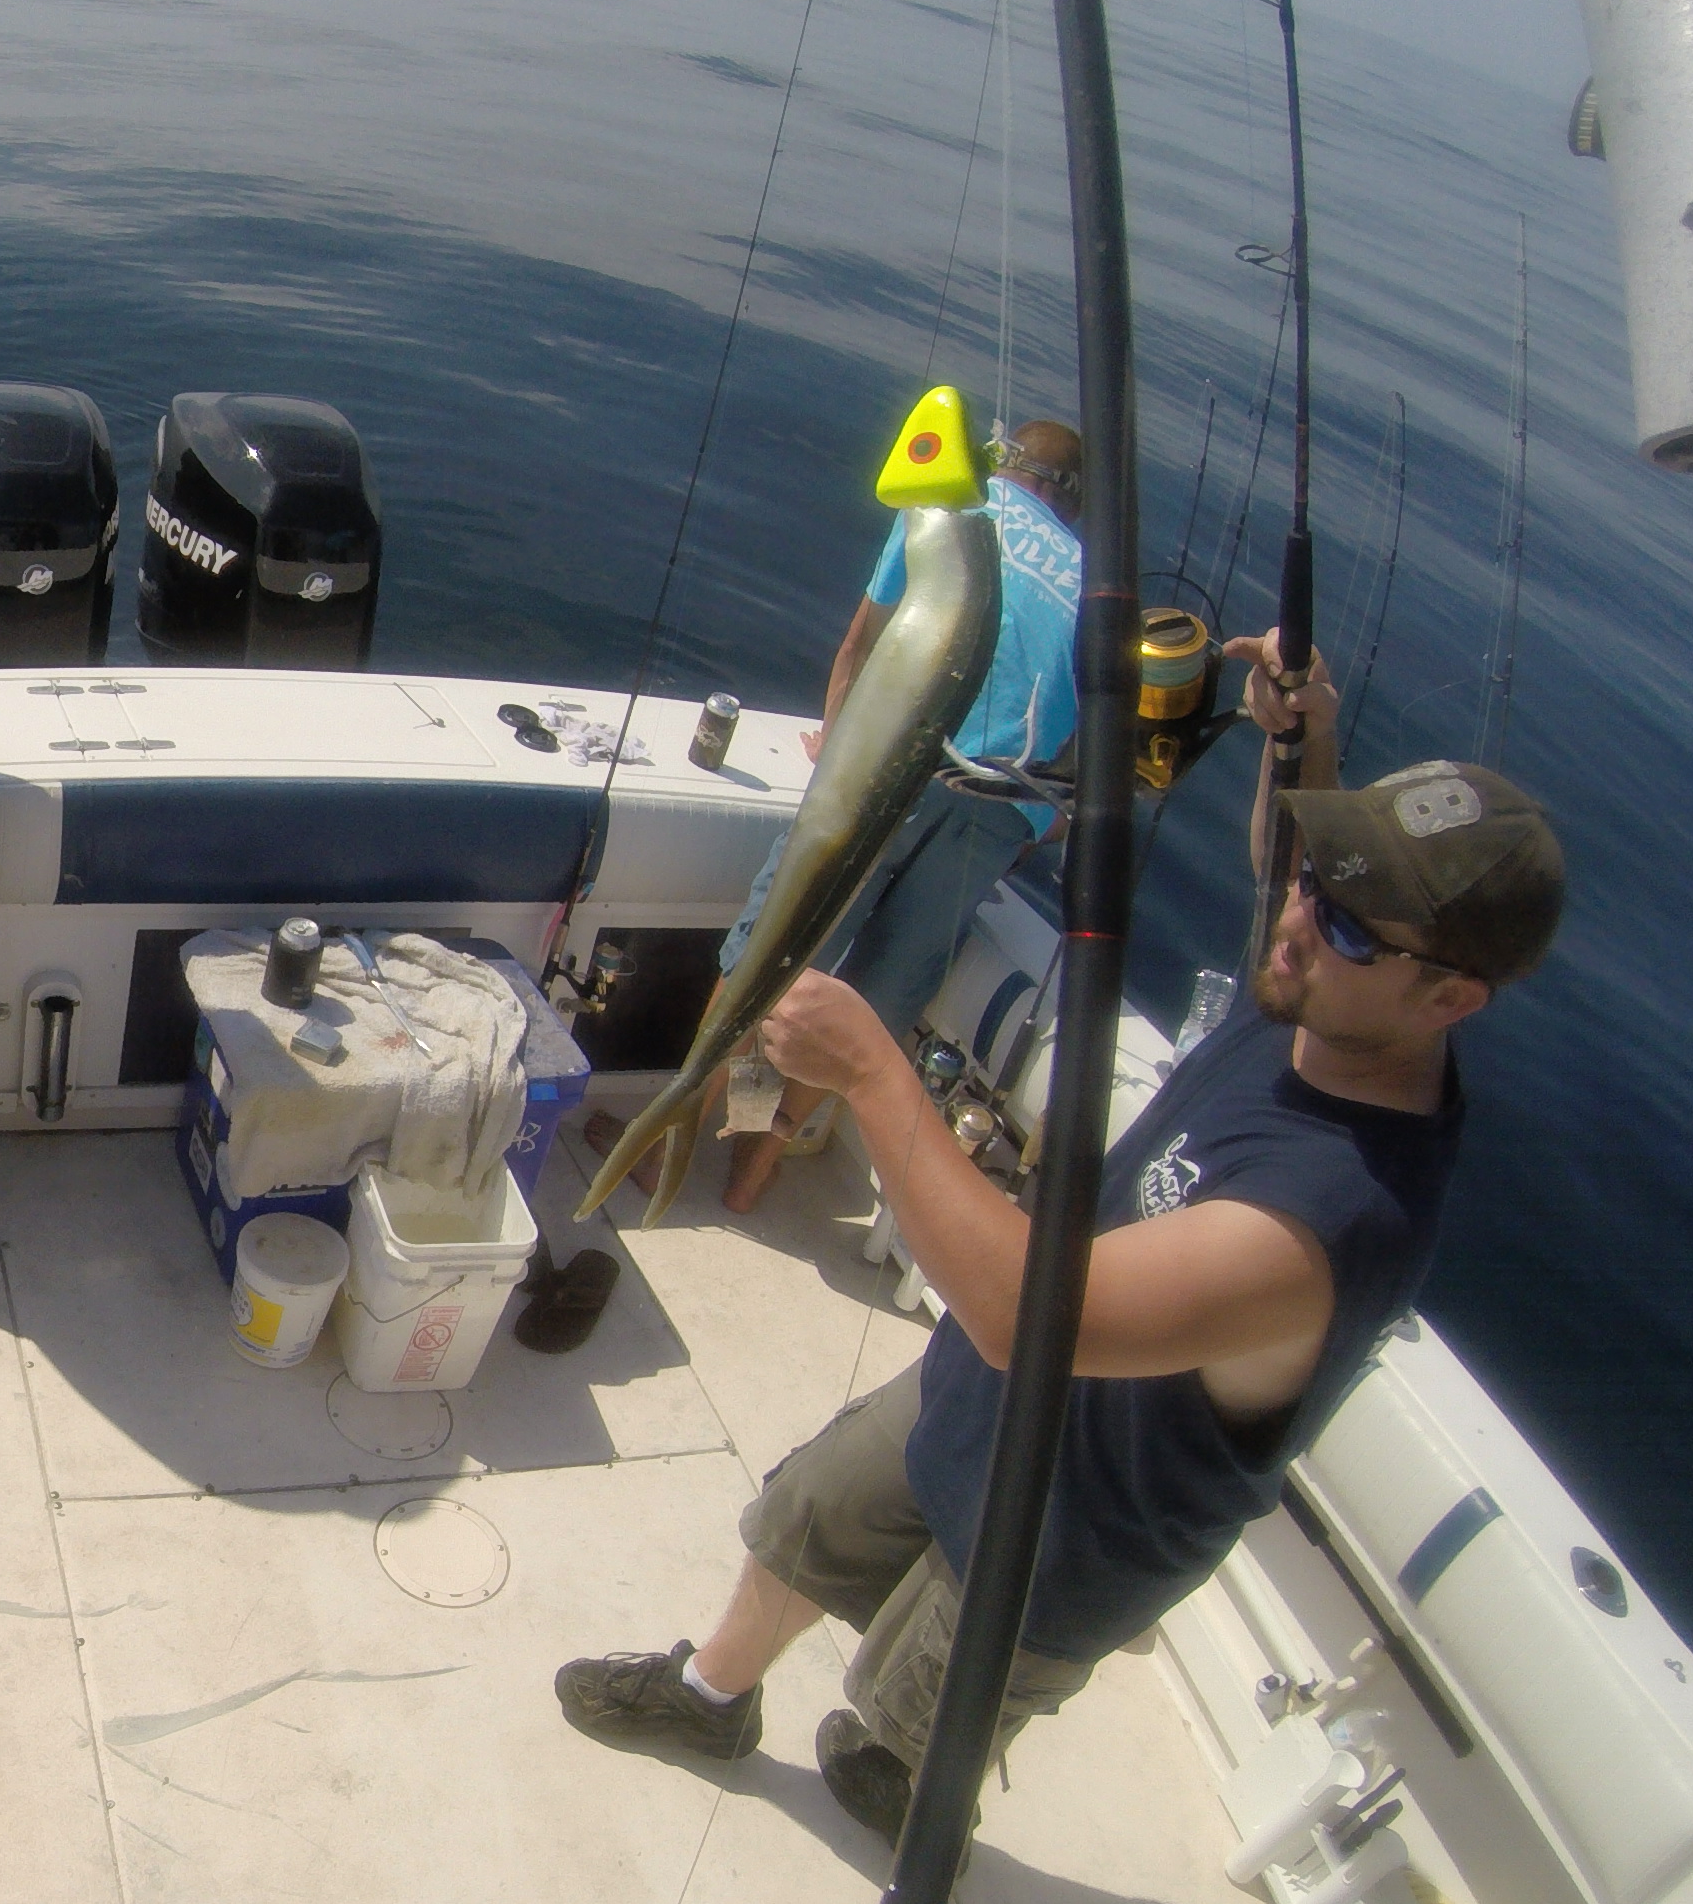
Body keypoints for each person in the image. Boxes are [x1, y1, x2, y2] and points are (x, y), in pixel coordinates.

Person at [551, 628, 1565, 1840]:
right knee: (805, 1518)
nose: (1301, 918)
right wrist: (1308, 740)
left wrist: (877, 1073)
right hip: (979, 1396)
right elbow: (1290, 870)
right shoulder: (1319, 1000)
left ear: (1453, 999)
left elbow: (1034, 1315)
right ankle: (711, 1696)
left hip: (1073, 1525)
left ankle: (903, 1776)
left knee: (915, 1703)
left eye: (1352, 922)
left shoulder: (1336, 1210)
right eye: (1321, 877)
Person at [587, 420, 1093, 1213]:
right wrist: (1026, 829)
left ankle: (663, 1151)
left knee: (770, 954)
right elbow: (1078, 778)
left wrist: (837, 752)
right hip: (996, 816)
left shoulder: (951, 506)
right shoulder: (1099, 588)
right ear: (1074, 502)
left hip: (889, 772)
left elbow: (861, 647)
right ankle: (754, 1170)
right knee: (876, 996)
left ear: (1005, 462)